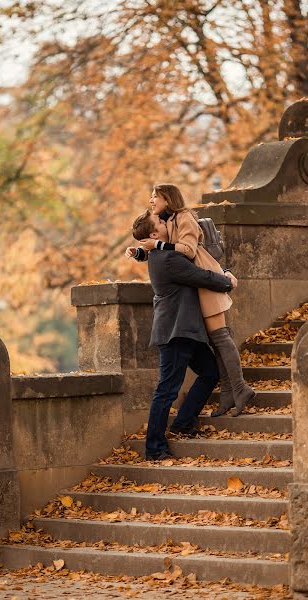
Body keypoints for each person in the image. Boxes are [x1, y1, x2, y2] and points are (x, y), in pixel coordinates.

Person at [126, 183, 255, 418]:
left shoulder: (184, 217)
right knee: (215, 342)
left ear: (168, 199)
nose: (151, 200)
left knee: (221, 338)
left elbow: (186, 250)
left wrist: (156, 245)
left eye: (156, 196)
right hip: (197, 284)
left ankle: (240, 388)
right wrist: (141, 252)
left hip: (206, 279)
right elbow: (165, 251)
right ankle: (227, 392)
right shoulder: (168, 221)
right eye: (151, 196)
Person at [130, 209, 233, 460]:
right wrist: (227, 280)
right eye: (161, 222)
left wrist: (140, 252)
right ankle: (154, 448)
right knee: (166, 390)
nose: (166, 222)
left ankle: (184, 422)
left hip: (186, 330)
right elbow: (201, 277)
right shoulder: (167, 259)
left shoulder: (160, 253)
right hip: (175, 332)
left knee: (210, 373)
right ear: (155, 233)